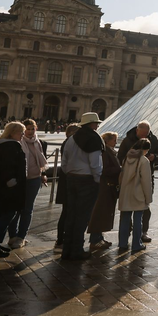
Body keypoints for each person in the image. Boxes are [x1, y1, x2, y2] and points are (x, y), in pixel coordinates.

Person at [61, 112, 103, 261]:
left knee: (70, 215)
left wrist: (70, 174)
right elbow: (95, 164)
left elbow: (64, 162)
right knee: (82, 216)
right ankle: (77, 249)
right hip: (87, 180)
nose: (98, 126)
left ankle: (67, 249)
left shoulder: (71, 139)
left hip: (71, 179)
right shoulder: (93, 138)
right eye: (96, 123)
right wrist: (97, 180)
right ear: (91, 124)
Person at [0, 122, 27, 259]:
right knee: (7, 215)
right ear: (13, 133)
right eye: (21, 132)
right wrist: (13, 183)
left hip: (0, 189)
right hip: (9, 190)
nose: (22, 135)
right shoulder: (11, 147)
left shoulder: (1, 145)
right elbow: (8, 168)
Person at [117, 121, 158, 243]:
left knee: (140, 210)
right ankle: (130, 235)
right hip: (131, 180)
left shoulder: (153, 139)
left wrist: (155, 157)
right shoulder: (127, 141)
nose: (144, 137)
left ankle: (143, 232)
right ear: (137, 131)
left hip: (140, 177)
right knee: (135, 210)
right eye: (142, 135)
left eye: (146, 135)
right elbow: (120, 158)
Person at [7, 119, 48, 249]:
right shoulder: (17, 142)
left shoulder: (39, 143)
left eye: (32, 129)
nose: (30, 132)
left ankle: (21, 236)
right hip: (20, 180)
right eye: (27, 129)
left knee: (27, 209)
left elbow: (40, 160)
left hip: (34, 179)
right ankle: (12, 235)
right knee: (16, 208)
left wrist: (42, 174)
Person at [86, 132, 121, 249]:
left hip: (108, 186)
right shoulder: (105, 152)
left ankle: (99, 238)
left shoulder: (109, 151)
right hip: (105, 186)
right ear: (107, 141)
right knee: (99, 213)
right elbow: (105, 169)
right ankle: (95, 239)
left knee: (103, 213)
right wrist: (119, 169)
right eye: (114, 140)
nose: (116, 142)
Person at [118, 139, 152, 252]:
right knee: (138, 219)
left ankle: (122, 243)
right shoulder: (144, 160)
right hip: (138, 194)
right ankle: (136, 244)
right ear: (145, 150)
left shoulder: (126, 158)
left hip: (125, 193)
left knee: (125, 219)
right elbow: (146, 181)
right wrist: (148, 197)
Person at [54, 123, 80, 251]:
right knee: (67, 213)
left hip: (66, 182)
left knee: (67, 212)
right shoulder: (70, 144)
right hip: (68, 182)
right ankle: (61, 240)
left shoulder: (68, 143)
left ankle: (62, 240)